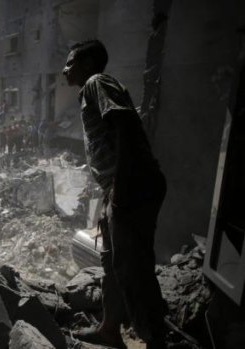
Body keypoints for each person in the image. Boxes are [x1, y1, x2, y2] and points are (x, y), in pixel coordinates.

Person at [62, 39, 168, 349]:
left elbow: (125, 125)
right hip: (118, 188)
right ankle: (110, 328)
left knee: (133, 268)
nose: (64, 69)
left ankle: (155, 340)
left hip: (132, 186)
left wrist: (120, 189)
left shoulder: (98, 82)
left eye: (70, 62)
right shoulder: (89, 93)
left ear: (88, 64)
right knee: (111, 262)